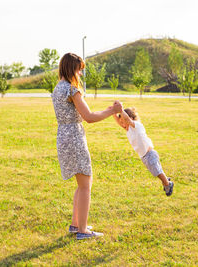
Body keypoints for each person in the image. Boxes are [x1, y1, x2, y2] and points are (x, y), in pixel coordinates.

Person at [51, 53, 122, 240]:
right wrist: (111, 111)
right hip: (74, 137)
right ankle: (83, 231)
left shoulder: (58, 88)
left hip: (63, 136)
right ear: (71, 69)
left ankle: (76, 224)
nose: (80, 73)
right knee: (85, 184)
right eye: (78, 69)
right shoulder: (72, 90)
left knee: (82, 183)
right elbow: (88, 117)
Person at [112, 106, 174, 196]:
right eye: (121, 122)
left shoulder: (137, 126)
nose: (122, 124)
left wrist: (121, 110)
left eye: (123, 121)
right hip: (144, 156)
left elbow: (127, 120)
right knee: (155, 171)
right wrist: (113, 113)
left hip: (149, 154)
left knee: (157, 171)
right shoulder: (128, 129)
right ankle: (165, 180)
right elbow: (120, 121)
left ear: (131, 118)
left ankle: (167, 184)